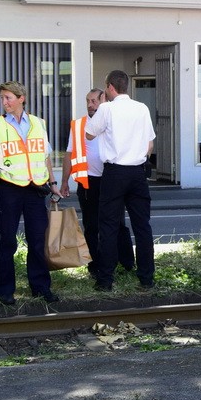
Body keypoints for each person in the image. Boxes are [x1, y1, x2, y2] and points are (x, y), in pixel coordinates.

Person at [0, 81, 60, 305]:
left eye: (8, 98)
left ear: (21, 98)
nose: (4, 102)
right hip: (8, 189)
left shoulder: (38, 123)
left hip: (35, 189)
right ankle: (5, 291)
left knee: (37, 241)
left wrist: (52, 183)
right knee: (7, 241)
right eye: (2, 98)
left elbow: (45, 157)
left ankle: (41, 288)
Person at [86, 70, 156, 291]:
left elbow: (89, 133)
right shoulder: (142, 108)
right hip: (137, 172)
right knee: (142, 226)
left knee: (108, 226)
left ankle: (105, 280)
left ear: (109, 88)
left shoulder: (106, 108)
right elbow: (150, 143)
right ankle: (146, 277)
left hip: (114, 173)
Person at [60, 88, 134, 279]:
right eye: (87, 101)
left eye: (93, 101)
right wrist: (64, 182)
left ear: (103, 101)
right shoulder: (79, 125)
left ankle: (126, 263)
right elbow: (69, 154)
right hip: (88, 182)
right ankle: (95, 266)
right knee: (92, 226)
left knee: (117, 224)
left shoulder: (113, 120)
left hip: (111, 180)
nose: (90, 105)